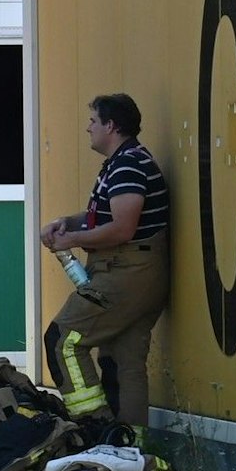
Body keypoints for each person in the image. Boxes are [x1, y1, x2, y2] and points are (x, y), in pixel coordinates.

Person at [40, 93, 171, 427]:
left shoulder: (128, 164)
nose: (88, 128)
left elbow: (122, 228)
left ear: (111, 126)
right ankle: (131, 447)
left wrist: (71, 240)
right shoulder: (123, 162)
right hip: (133, 274)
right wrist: (67, 223)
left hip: (128, 275)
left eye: (93, 121)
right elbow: (105, 216)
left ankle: (96, 429)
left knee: (63, 340)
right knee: (122, 361)